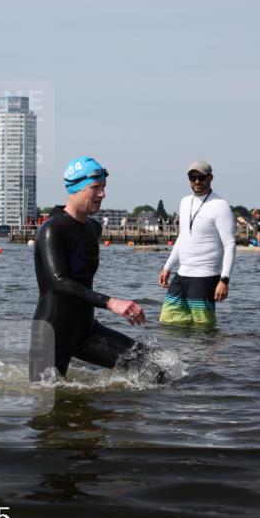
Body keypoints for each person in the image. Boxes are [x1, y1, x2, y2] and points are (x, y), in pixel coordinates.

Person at [29, 156, 154, 382]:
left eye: (104, 188)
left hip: (85, 330)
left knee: (150, 365)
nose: (102, 194)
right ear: (75, 188)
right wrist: (110, 302)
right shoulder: (52, 229)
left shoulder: (93, 228)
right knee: (48, 407)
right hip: (51, 334)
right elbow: (59, 282)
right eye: (95, 188)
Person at [158, 160, 236, 326]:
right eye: (193, 177)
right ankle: (181, 353)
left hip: (205, 277)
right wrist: (167, 267)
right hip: (182, 274)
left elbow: (230, 244)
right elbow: (182, 237)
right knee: (168, 323)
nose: (197, 182)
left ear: (210, 178)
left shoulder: (220, 206)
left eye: (201, 177)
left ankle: (209, 353)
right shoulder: (185, 202)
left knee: (204, 329)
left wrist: (224, 280)